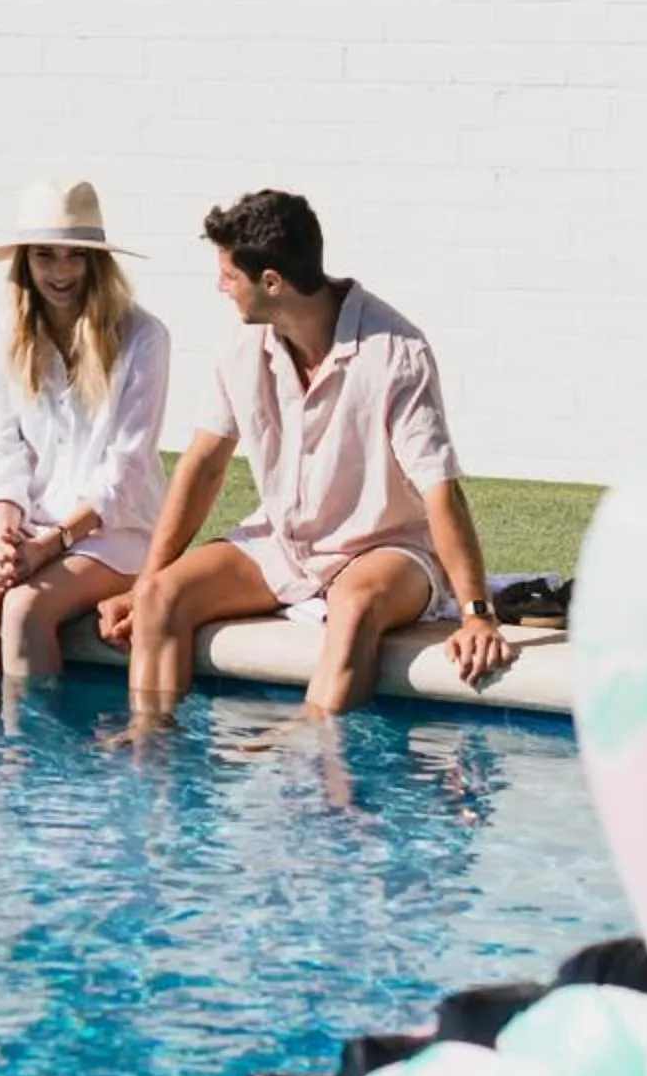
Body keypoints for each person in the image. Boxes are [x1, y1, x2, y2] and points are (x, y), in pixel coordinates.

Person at [97, 190, 508, 729]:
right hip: (283, 544)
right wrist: (145, 580)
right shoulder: (240, 349)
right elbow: (205, 464)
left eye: (228, 276)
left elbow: (440, 489)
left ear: (272, 282)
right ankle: (154, 766)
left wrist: (477, 614)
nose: (220, 287)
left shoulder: (398, 352)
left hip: (386, 545)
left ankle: (314, 775)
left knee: (354, 608)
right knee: (160, 599)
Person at [0, 179, 172, 688]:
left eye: (76, 256)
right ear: (25, 262)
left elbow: (126, 471)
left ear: (97, 262)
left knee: (25, 608)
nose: (61, 271)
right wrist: (4, 527)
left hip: (114, 531)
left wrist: (51, 545)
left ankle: (40, 760)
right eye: (46, 256)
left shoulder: (143, 337)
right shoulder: (1, 335)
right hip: (29, 523)